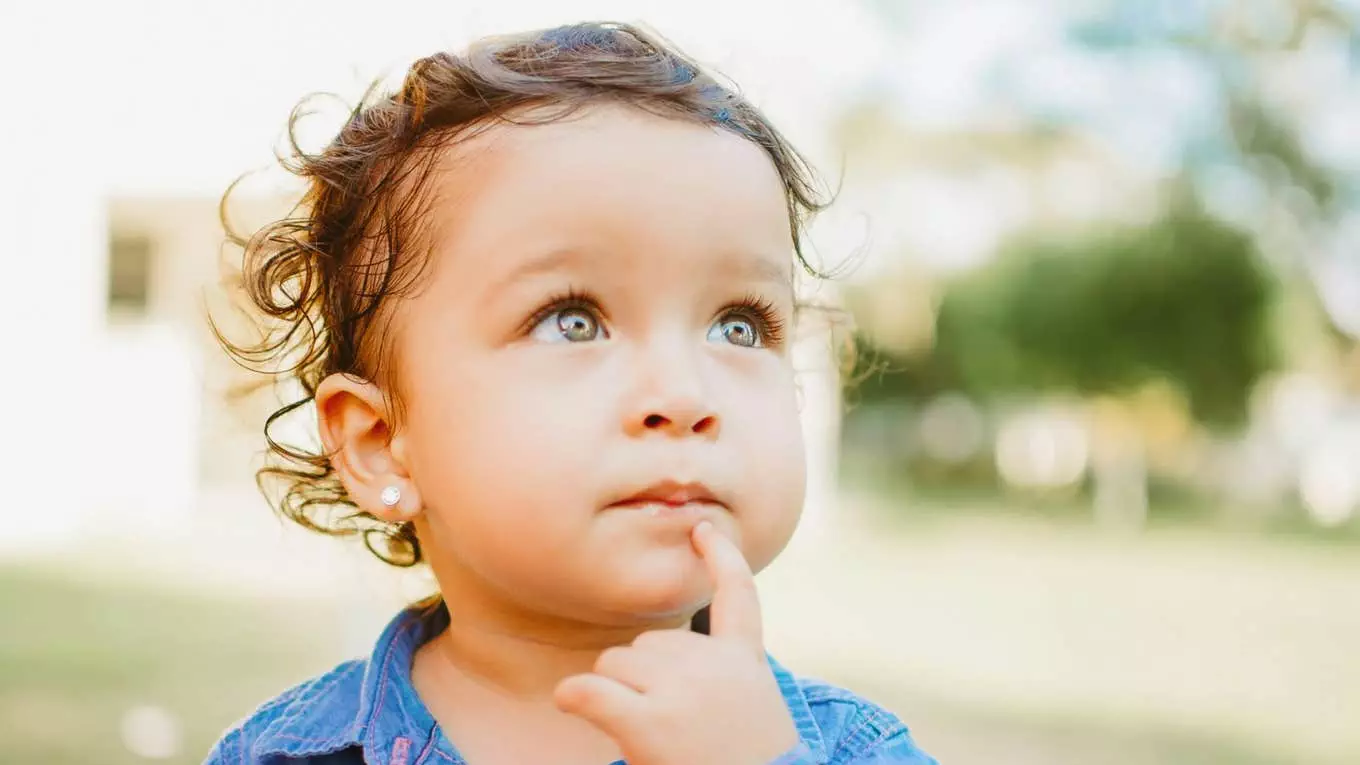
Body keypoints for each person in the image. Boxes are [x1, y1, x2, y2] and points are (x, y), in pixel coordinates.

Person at [206, 20, 937, 765]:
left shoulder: (853, 749)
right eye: (573, 320)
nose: (685, 395)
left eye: (739, 327)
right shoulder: (279, 755)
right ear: (379, 444)